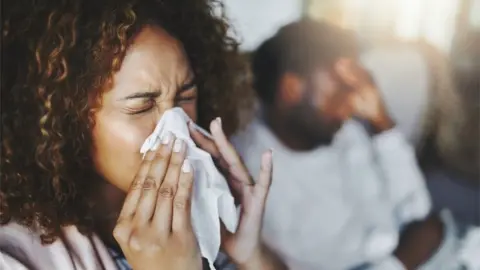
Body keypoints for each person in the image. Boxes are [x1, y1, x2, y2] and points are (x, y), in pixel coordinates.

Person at [0, 1, 285, 269]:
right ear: (67, 122)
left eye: (186, 96)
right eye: (142, 106)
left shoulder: (204, 222)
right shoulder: (16, 256)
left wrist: (251, 254)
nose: (175, 126)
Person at [232, 19, 458, 270]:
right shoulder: (253, 176)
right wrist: (403, 258)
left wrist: (382, 124)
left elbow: (416, 210)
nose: (351, 104)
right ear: (291, 89)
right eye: (341, 87)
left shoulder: (343, 132)